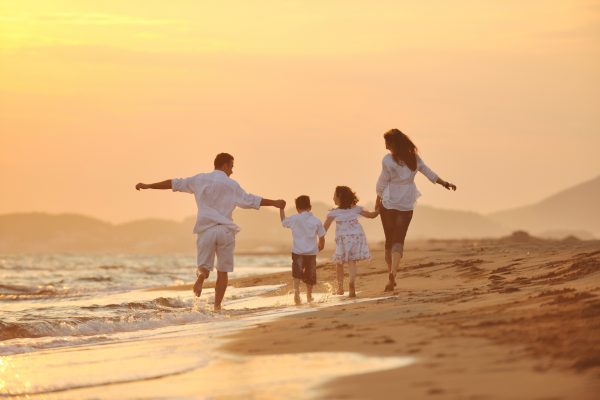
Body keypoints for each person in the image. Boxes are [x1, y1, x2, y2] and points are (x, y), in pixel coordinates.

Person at [135, 152, 286, 311]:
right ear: (225, 165)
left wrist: (149, 185)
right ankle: (217, 306)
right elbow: (251, 200)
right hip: (226, 231)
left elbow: (173, 183)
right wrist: (275, 203)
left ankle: (201, 277)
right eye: (232, 167)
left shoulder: (199, 179)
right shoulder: (231, 184)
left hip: (206, 230)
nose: (232, 171)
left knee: (204, 267)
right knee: (223, 272)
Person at [375, 129, 457, 292]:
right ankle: (393, 274)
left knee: (389, 241)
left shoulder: (387, 160)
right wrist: (445, 183)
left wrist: (378, 201)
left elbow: (382, 183)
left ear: (394, 144)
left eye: (387, 144)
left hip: (389, 202)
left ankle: (389, 275)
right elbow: (429, 173)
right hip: (406, 203)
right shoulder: (414, 158)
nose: (385, 147)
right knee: (399, 240)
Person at [324, 186, 378, 298]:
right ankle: (351, 283)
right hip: (356, 237)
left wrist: (316, 237)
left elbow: (324, 229)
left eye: (334, 195)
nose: (333, 197)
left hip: (343, 239)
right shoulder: (356, 209)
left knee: (339, 263)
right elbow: (372, 216)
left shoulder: (333, 213)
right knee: (352, 262)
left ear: (339, 197)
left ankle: (340, 288)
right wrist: (379, 209)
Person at [280, 195, 326, 305]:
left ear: (297, 208)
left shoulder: (294, 218)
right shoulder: (316, 220)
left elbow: (283, 222)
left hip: (297, 252)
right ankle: (309, 296)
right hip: (311, 253)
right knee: (310, 275)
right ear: (310, 207)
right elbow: (322, 236)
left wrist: (281, 209)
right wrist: (320, 246)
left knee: (297, 274)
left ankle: (296, 293)